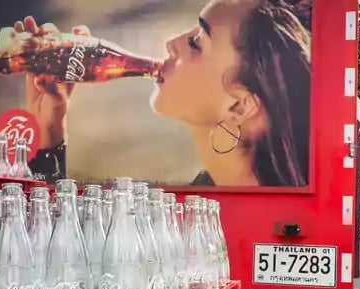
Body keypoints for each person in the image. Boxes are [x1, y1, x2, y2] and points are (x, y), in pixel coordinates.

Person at [17, 0, 311, 186]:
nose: (171, 42)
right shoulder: (206, 189)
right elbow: (42, 242)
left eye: (197, 42)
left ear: (239, 106)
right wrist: (49, 128)